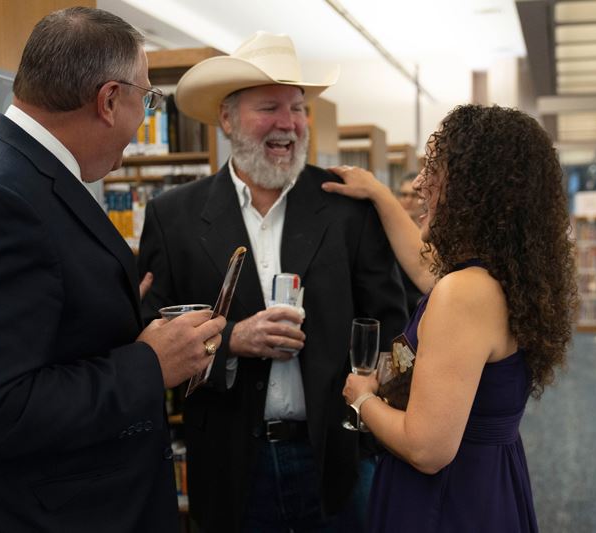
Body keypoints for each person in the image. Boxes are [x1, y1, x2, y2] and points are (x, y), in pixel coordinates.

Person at [0, 8, 224, 532]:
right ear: (108, 100)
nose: (142, 117)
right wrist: (150, 364)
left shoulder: (20, 170)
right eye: (145, 99)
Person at [137, 32, 409, 532]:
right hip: (230, 466)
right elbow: (149, 345)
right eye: (269, 107)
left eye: (297, 108)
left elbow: (391, 326)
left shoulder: (347, 210)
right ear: (227, 118)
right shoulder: (173, 217)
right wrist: (232, 341)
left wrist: (372, 424)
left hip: (336, 461)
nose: (288, 124)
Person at [324, 104, 577, 532]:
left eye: (433, 170)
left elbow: (427, 449)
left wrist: (361, 398)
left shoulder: (464, 293)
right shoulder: (502, 275)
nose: (419, 184)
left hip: (446, 500)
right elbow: (424, 267)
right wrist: (379, 194)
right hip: (485, 481)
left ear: (474, 187)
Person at [395, 172, 425, 316]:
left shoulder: (430, 237)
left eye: (413, 195)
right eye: (403, 195)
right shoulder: (390, 234)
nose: (408, 200)